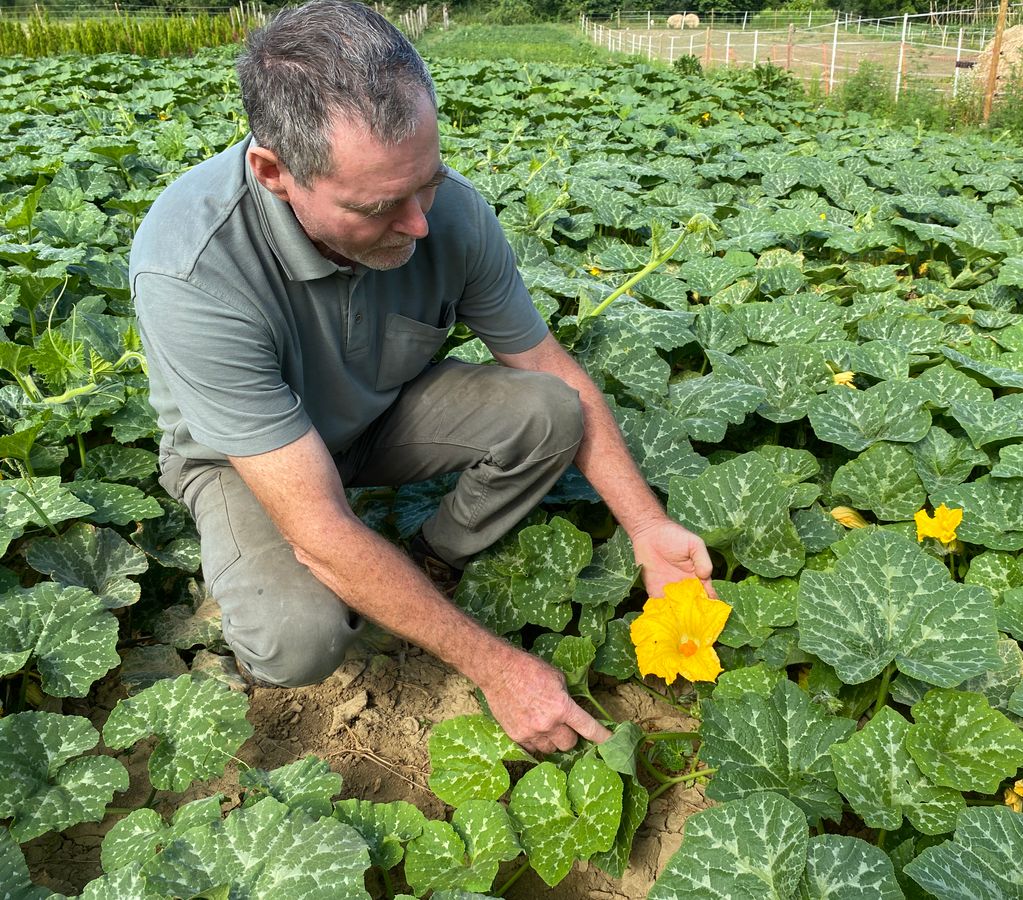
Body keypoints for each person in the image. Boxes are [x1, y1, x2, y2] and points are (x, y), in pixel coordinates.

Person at [131, 0, 713, 755]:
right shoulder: (193, 268)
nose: (419, 225)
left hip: (377, 416)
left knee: (548, 409)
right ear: (275, 173)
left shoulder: (449, 214)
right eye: (378, 206)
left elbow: (548, 367)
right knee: (297, 639)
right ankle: (255, 608)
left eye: (428, 181)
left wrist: (648, 526)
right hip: (243, 462)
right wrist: (497, 668)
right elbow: (315, 526)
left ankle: (427, 560)